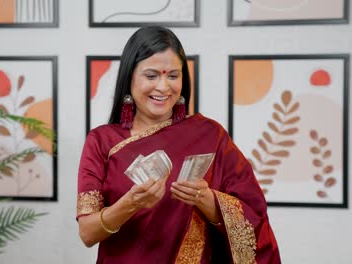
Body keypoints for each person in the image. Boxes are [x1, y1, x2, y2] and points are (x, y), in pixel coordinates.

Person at [76, 26, 281, 264]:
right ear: (129, 77)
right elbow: (88, 233)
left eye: (173, 75)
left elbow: (254, 215)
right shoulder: (102, 142)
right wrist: (130, 204)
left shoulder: (210, 136)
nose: (163, 87)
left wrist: (208, 200)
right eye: (151, 76)